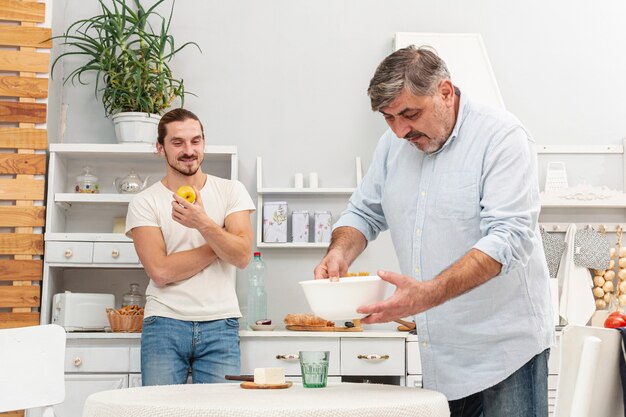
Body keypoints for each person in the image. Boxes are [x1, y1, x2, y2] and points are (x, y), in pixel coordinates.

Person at [314, 46, 554, 417]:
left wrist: (428, 294)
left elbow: (508, 237)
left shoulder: (502, 137)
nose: (400, 130)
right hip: (440, 357)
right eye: (388, 118)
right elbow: (363, 212)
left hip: (506, 353)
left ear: (445, 91)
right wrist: (339, 252)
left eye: (409, 114)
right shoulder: (392, 148)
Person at [126, 108, 255, 386]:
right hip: (164, 324)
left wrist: (203, 224)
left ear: (204, 143)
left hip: (221, 324)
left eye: (196, 141)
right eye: (177, 142)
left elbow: (242, 256)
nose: (188, 150)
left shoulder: (231, 191)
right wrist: (220, 240)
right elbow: (160, 271)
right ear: (160, 148)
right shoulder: (145, 202)